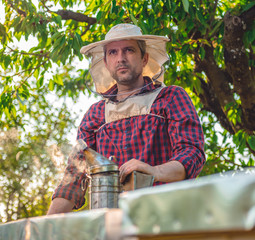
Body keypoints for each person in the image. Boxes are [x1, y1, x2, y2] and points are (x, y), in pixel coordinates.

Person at [47, 24, 206, 215]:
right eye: (113, 52)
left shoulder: (170, 97)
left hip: (167, 219)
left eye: (129, 50)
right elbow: (74, 177)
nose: (120, 58)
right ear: (106, 62)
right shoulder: (95, 115)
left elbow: (191, 154)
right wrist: (44, 228)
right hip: (114, 226)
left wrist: (153, 172)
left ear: (144, 58)